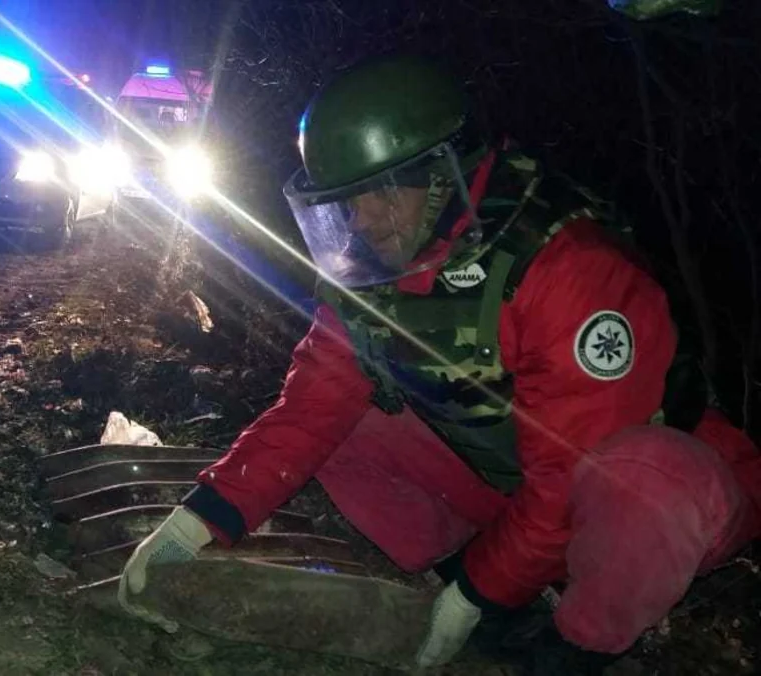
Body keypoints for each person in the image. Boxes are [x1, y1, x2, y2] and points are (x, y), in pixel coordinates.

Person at [115, 56, 761, 673]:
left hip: (643, 504)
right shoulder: (375, 266)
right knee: (347, 428)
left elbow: (569, 474)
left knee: (645, 479)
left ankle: (577, 644)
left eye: (380, 193)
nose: (362, 221)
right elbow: (309, 408)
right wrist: (201, 518)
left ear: (444, 174)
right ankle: (464, 579)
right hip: (511, 477)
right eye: (346, 200)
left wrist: (479, 590)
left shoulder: (568, 267)